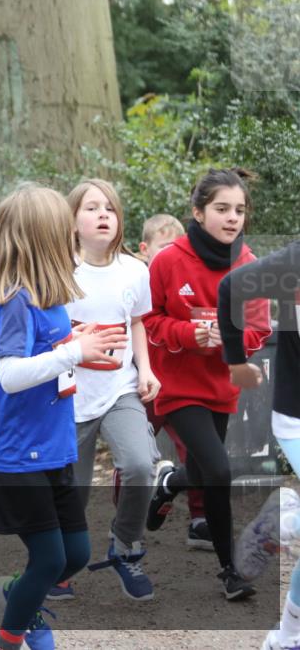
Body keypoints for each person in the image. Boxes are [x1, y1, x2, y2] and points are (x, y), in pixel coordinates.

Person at [0, 185, 124, 650]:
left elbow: (47, 350)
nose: (73, 238)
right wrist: (75, 350)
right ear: (43, 238)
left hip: (53, 447)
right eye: (65, 230)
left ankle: (19, 596)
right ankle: (9, 640)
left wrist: (74, 339)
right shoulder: (15, 299)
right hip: (18, 456)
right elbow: (9, 375)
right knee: (47, 558)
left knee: (73, 555)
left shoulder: (50, 295)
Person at [143, 167, 271, 600]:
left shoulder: (249, 265)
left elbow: (259, 330)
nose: (232, 217)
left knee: (199, 469)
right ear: (199, 212)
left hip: (220, 386)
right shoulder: (167, 261)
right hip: (176, 386)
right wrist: (188, 335)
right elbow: (150, 319)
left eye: (239, 210)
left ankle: (172, 483)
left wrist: (229, 340)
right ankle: (230, 570)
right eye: (221, 208)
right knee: (218, 470)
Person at [63, 179, 160, 601]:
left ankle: (125, 546)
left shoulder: (135, 271)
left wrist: (146, 368)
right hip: (69, 395)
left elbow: (136, 321)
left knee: (141, 465)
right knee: (72, 491)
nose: (103, 214)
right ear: (72, 220)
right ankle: (60, 564)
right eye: (91, 207)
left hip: (119, 388)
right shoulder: (58, 269)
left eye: (110, 208)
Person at [217, 241, 300, 649]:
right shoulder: (293, 262)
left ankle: (286, 636)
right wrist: (235, 361)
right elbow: (230, 288)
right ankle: (287, 521)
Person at [138, 215, 212, 550]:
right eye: (163, 247)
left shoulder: (188, 287)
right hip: (143, 389)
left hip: (179, 387)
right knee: (135, 454)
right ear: (145, 250)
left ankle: (199, 520)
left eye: (176, 248)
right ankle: (126, 515)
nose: (171, 254)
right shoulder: (136, 283)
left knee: (196, 454)